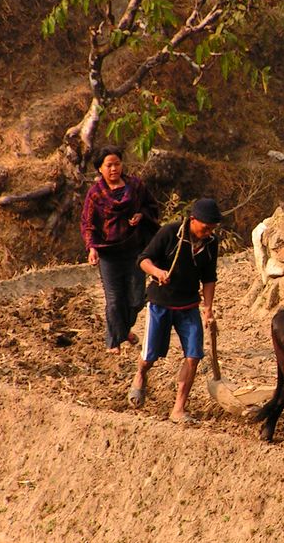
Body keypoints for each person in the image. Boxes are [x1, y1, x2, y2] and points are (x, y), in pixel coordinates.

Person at [127, 197, 222, 423]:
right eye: (205, 227)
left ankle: (178, 408)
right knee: (150, 355)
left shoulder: (210, 243)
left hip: (189, 305)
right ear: (192, 220)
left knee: (193, 356)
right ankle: (140, 374)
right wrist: (158, 272)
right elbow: (143, 260)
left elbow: (209, 279)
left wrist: (208, 309)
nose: (208, 232)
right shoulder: (170, 233)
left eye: (212, 229)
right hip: (161, 303)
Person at [80, 145, 159, 354]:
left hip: (134, 250)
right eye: (109, 165)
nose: (114, 169)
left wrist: (141, 215)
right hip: (109, 253)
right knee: (114, 301)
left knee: (136, 299)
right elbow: (88, 224)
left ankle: (123, 332)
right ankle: (113, 342)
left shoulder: (135, 186)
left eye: (117, 164)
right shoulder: (95, 194)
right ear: (100, 169)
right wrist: (92, 248)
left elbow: (151, 206)